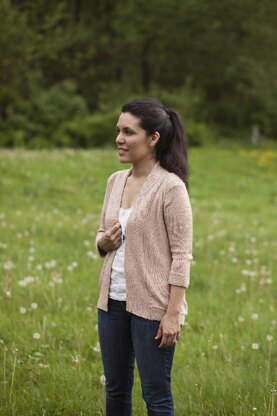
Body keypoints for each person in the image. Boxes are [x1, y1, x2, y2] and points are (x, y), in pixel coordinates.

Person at [95, 98, 193, 416]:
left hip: (152, 308)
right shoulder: (115, 181)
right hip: (111, 304)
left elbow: (182, 255)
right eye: (118, 131)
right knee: (116, 390)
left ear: (153, 138)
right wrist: (104, 243)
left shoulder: (170, 188)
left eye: (128, 132)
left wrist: (173, 313)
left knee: (156, 395)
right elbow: (101, 236)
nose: (119, 139)